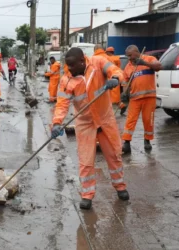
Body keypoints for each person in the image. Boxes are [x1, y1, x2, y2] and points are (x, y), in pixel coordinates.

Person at [51, 47, 129, 210]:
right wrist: (57, 123)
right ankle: (87, 195)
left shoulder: (98, 63)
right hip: (85, 122)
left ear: (82, 60)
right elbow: (62, 104)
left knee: (114, 155)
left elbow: (115, 70)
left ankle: (120, 186)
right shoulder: (66, 80)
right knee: (86, 160)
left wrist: (115, 78)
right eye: (67, 65)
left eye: (72, 65)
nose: (69, 69)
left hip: (105, 119)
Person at [121, 45, 162, 153]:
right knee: (130, 121)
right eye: (127, 56)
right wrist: (125, 92)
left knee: (148, 120)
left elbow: (158, 66)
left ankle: (147, 140)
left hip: (149, 97)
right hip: (135, 98)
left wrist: (144, 63)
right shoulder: (129, 66)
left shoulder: (149, 59)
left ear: (136, 52)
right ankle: (126, 142)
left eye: (130, 55)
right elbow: (125, 81)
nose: (129, 58)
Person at [106, 46, 127, 114]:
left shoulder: (107, 58)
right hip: (117, 77)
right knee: (115, 97)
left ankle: (110, 113)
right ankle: (122, 106)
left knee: (109, 98)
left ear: (109, 52)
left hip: (110, 77)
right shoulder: (117, 58)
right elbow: (119, 67)